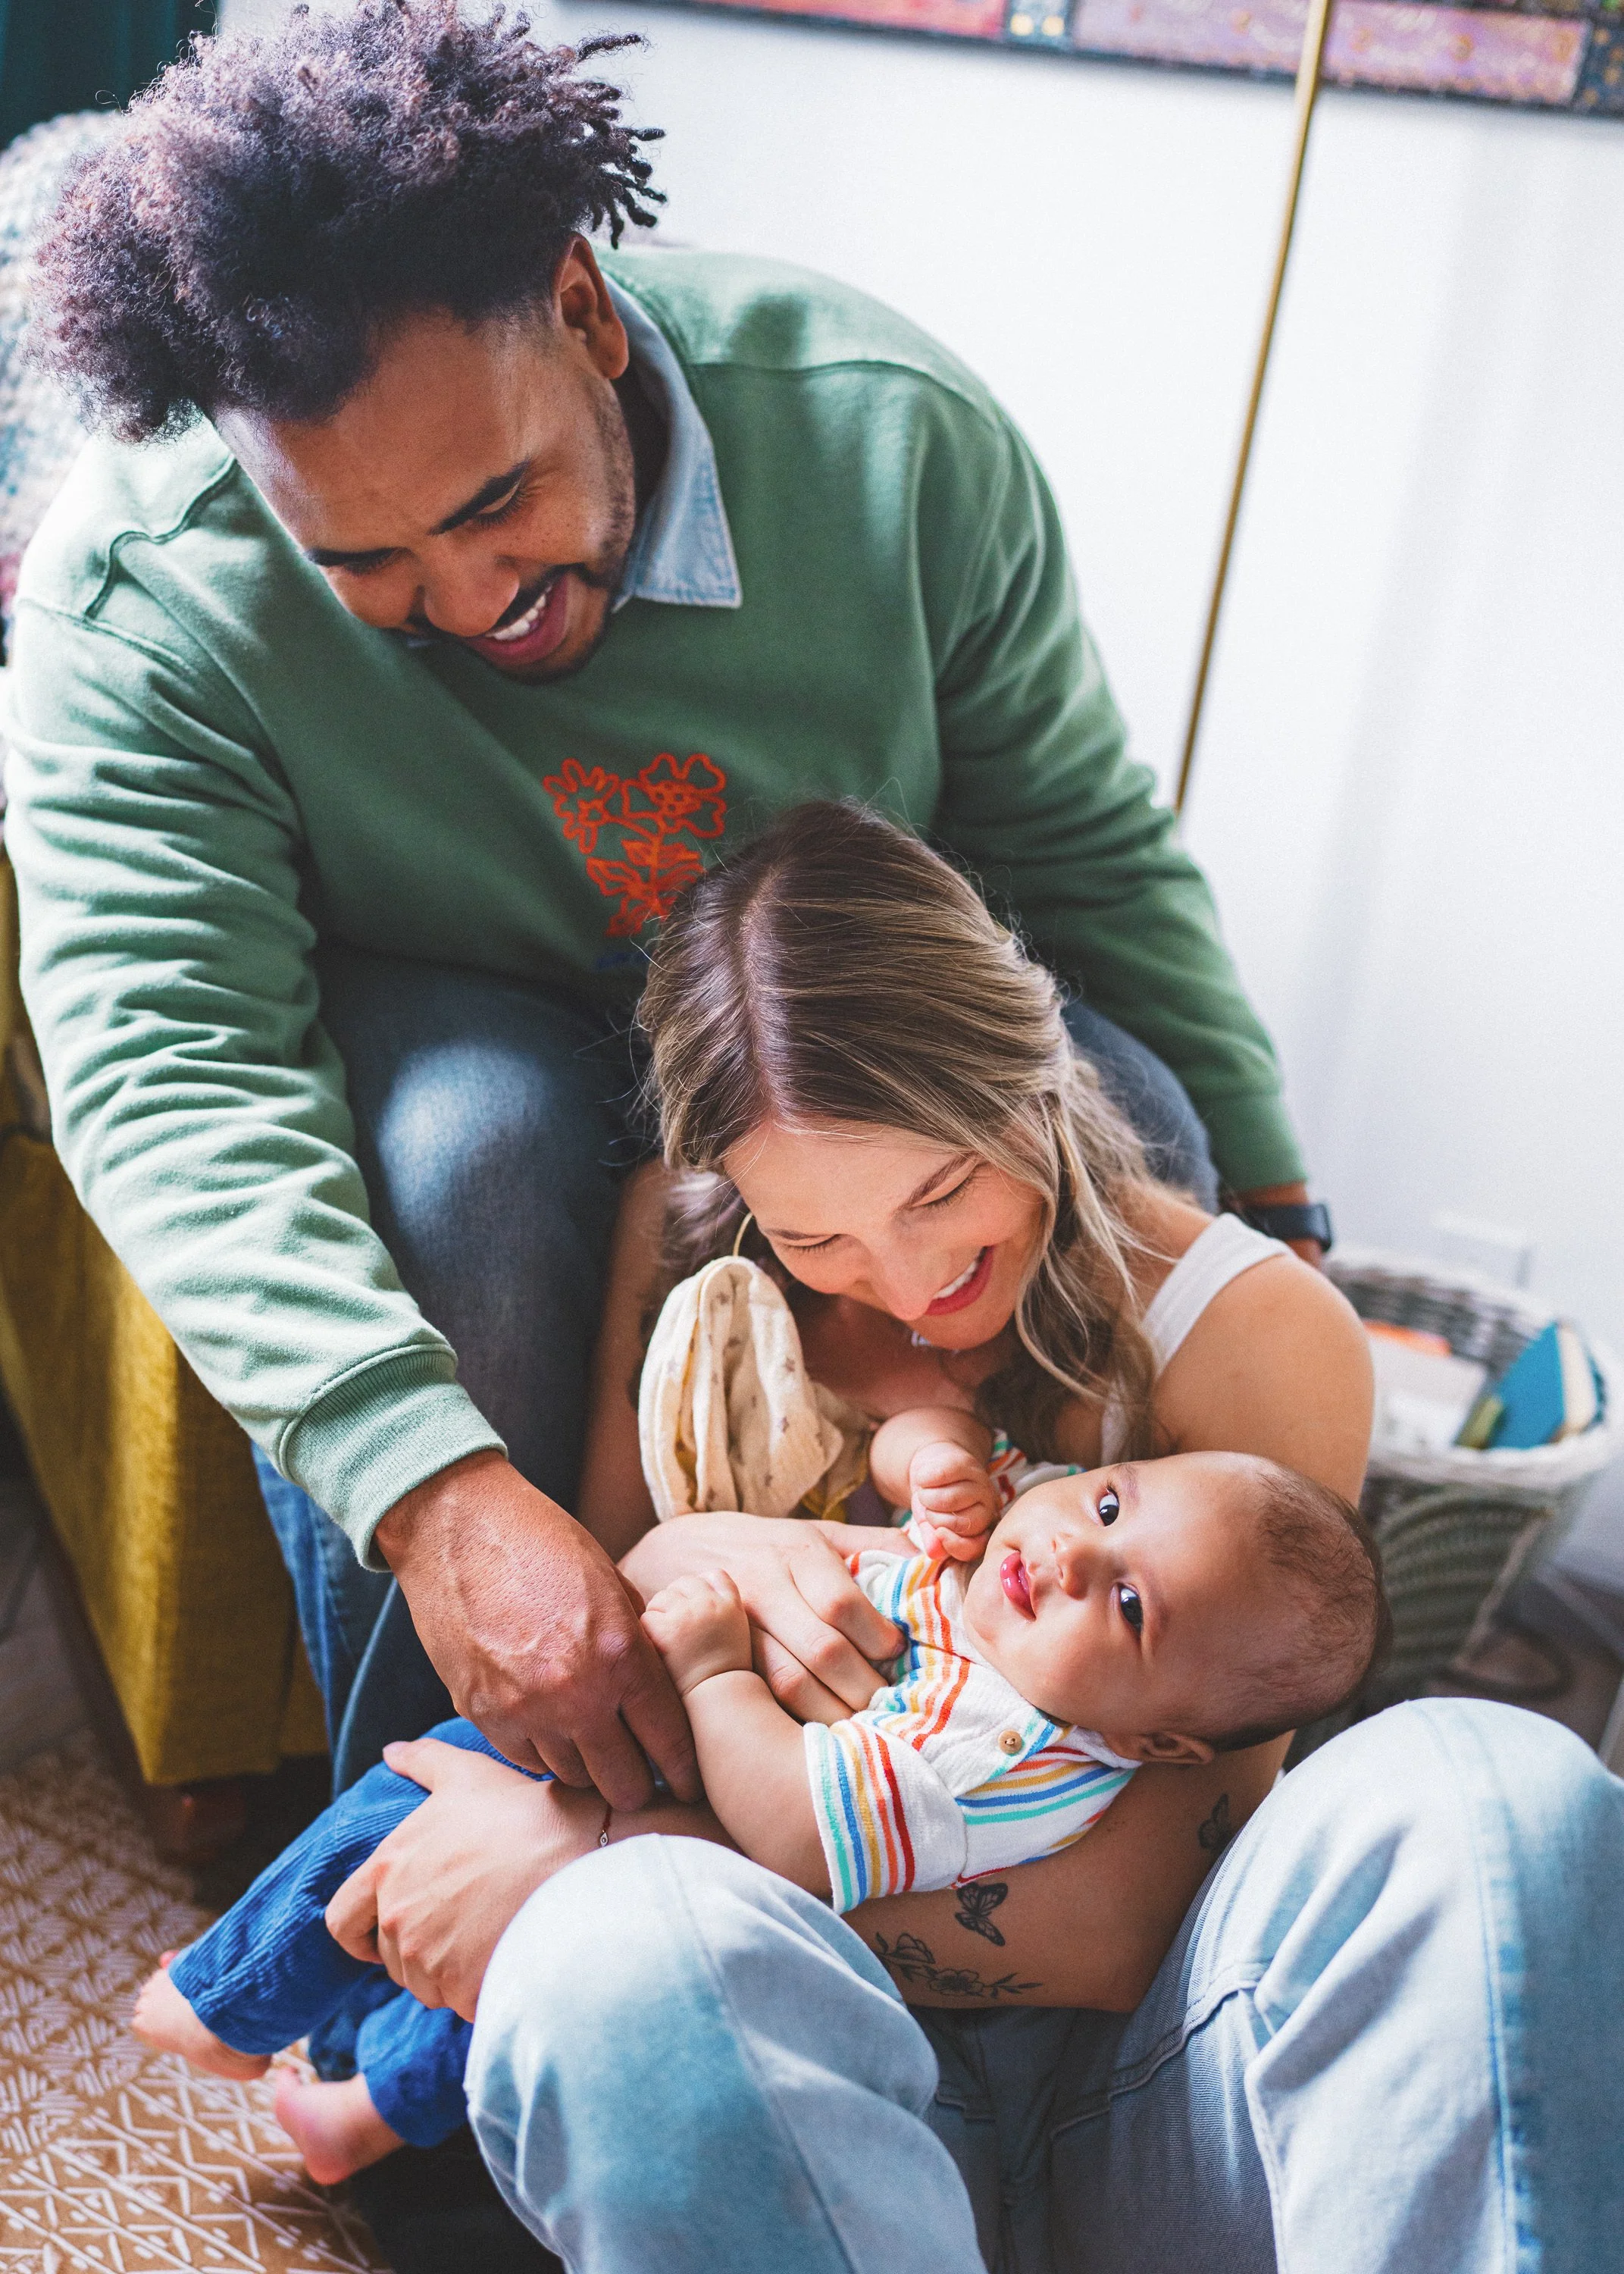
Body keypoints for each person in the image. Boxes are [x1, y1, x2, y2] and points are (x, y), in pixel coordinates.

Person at [9, 0, 1332, 1825]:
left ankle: (988, 1812)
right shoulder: (140, 595)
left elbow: (1081, 840)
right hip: (452, 1017)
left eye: (499, 502)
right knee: (474, 1169)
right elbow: (166, 1069)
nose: (472, 603)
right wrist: (440, 1501)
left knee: (1138, 1134)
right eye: (368, 568)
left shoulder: (893, 437)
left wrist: (1270, 1192)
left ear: (580, 305)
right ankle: (440, 1883)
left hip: (812, 1006)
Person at [303, 803, 1620, 2271]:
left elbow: (1131, 1917)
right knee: (615, 1954)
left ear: (1033, 1066)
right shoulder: (683, 1255)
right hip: (799, 2081)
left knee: (1495, 1782)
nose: (910, 1278)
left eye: (941, 1191)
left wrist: (616, 1844)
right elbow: (627, 1652)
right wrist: (693, 1577)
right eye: (817, 1236)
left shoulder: (1249, 1329)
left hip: (1140, 2067)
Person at [130, 1442, 1385, 2184]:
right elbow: (969, 1462)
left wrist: (722, 1669)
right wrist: (927, 1456)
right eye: (1109, 1502)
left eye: (1127, 1607)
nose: (1069, 1550)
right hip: (670, 1807)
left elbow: (793, 1833)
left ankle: (226, 2006)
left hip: (691, 1828)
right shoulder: (1021, 1584)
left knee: (411, 1795)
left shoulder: (997, 1761)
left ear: (1154, 1740)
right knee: (487, 2004)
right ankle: (358, 2121)